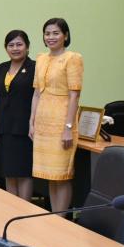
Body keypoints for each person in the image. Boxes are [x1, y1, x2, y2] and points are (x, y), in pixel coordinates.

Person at [30, 18, 83, 213]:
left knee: (62, 175)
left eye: (56, 33)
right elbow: (36, 93)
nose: (50, 37)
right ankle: (54, 215)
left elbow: (74, 95)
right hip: (42, 122)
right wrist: (31, 122)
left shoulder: (73, 58)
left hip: (62, 122)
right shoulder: (41, 58)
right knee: (50, 176)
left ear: (65, 36)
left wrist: (68, 128)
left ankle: (60, 219)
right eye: (47, 33)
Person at [0, 30, 35, 201]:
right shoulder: (1, 69)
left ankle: (25, 208)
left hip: (24, 129)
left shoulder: (35, 68)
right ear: (6, 48)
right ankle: (12, 208)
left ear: (27, 47)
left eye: (19, 44)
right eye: (11, 45)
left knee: (23, 172)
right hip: (4, 128)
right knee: (8, 171)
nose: (15, 48)